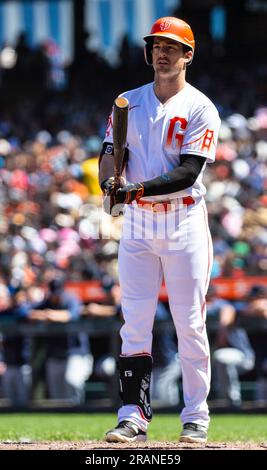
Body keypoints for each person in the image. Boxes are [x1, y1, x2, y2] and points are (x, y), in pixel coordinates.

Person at [99, 16, 221, 443]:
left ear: (188, 54)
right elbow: (110, 154)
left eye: (171, 46)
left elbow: (189, 172)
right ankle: (132, 414)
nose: (162, 51)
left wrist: (135, 189)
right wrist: (108, 183)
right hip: (138, 223)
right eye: (156, 45)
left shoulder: (200, 107)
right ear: (148, 52)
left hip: (183, 218)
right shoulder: (127, 101)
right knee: (134, 323)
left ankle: (195, 415)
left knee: (189, 322)